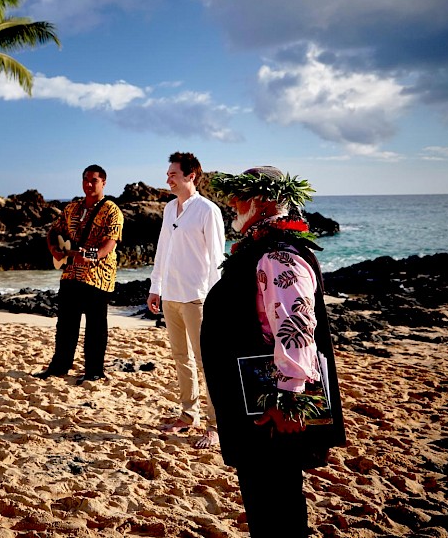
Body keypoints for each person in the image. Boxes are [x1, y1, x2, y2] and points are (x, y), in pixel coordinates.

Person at [202, 166, 346, 538]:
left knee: (276, 499)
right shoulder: (261, 247)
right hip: (254, 401)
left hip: (272, 406)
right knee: (264, 497)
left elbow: (297, 325)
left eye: (241, 195)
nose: (232, 201)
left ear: (265, 201)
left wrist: (288, 399)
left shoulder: (279, 254)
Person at [145, 152, 225, 448]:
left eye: (173, 174)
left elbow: (218, 258)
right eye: (168, 174)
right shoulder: (169, 209)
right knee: (182, 359)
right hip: (171, 296)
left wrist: (216, 300)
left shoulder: (207, 210)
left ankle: (216, 425)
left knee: (208, 363)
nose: (168, 179)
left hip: (198, 297)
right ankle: (188, 415)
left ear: (191, 176)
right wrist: (156, 286)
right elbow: (162, 248)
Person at [34, 165, 124, 385]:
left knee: (96, 326)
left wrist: (95, 255)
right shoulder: (72, 208)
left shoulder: (112, 210)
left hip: (98, 275)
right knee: (65, 325)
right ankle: (59, 367)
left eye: (94, 180)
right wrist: (54, 249)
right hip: (71, 273)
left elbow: (110, 243)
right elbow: (54, 231)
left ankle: (94, 371)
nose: (89, 184)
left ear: (104, 182)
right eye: (85, 179)